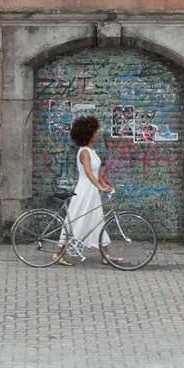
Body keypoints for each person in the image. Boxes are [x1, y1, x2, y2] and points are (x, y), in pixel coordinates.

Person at [58, 114, 115, 265]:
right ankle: (57, 253)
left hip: (92, 191)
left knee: (98, 220)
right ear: (88, 134)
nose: (97, 134)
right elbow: (89, 173)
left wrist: (105, 185)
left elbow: (97, 173)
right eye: (95, 132)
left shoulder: (92, 151)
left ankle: (106, 255)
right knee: (73, 221)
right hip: (84, 190)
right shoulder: (83, 151)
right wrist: (99, 187)